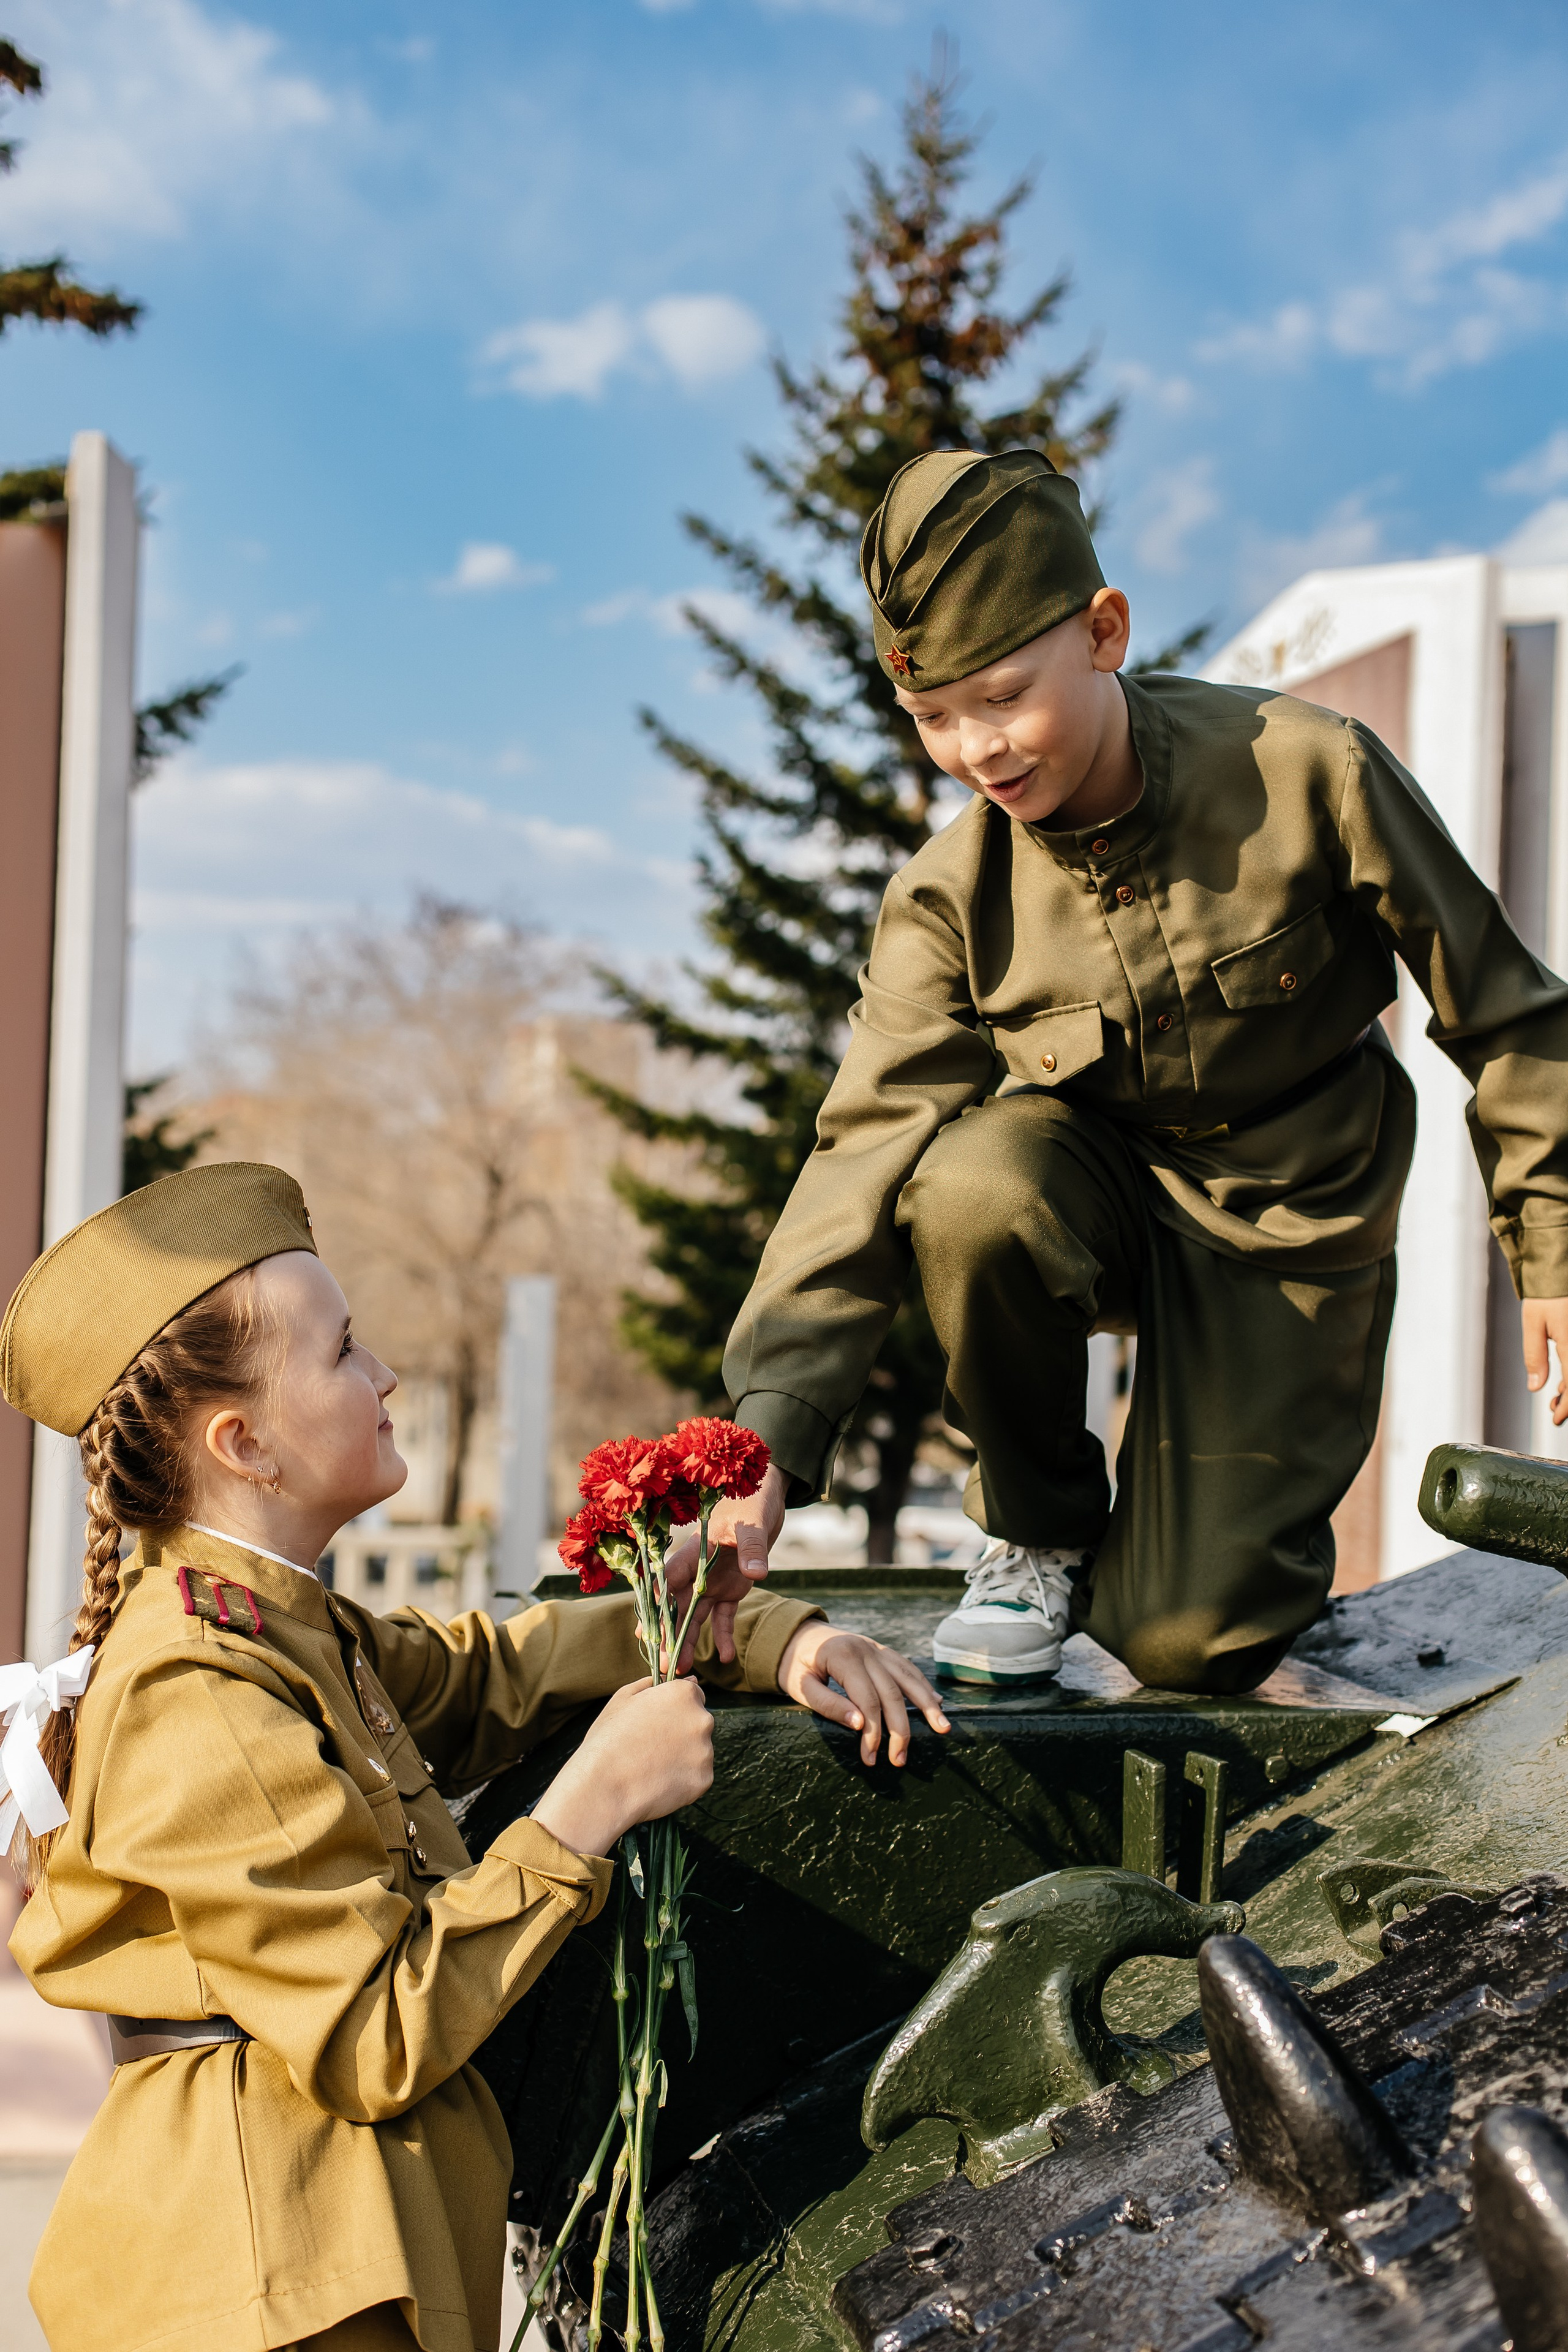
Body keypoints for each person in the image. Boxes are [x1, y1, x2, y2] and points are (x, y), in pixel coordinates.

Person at [0, 1162, 947, 2352]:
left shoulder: (281, 1628)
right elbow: (373, 2033)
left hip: (318, 2263)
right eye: (343, 1353)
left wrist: (744, 1623)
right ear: (244, 1443)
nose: (385, 1375)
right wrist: (590, 1807)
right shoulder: (199, 1689)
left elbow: (488, 1674)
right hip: (273, 2287)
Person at [692, 447, 1568, 1697]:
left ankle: (1180, 1557)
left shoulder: (1309, 770)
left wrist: (1552, 1233)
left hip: (1290, 1222)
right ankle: (1035, 1529)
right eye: (931, 718)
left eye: (999, 696)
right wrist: (760, 1447)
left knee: (1180, 1645)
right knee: (968, 1183)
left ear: (1102, 631)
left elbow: (1502, 1004)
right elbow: (860, 1156)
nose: (973, 750)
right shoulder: (947, 897)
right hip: (1092, 1207)